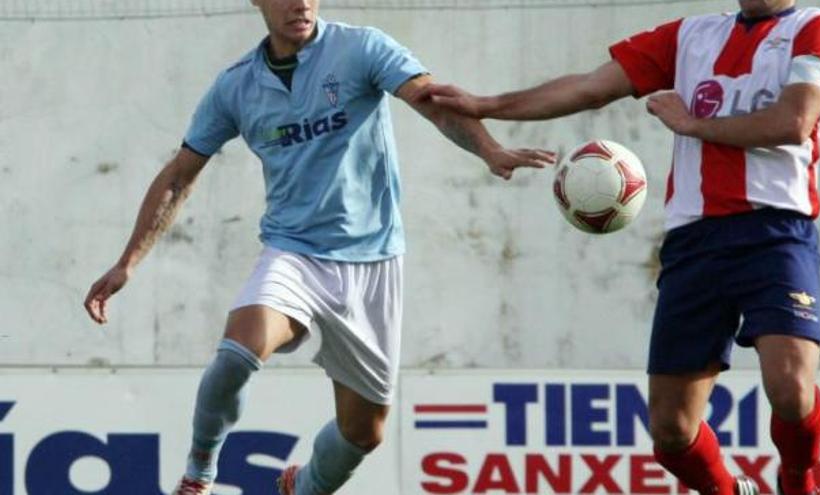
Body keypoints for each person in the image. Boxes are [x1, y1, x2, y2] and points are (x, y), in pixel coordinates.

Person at [82, 0, 555, 494]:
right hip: (294, 254)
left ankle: (301, 487)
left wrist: (490, 150)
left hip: (374, 264)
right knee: (235, 353)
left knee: (362, 434)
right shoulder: (236, 86)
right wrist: (127, 263)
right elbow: (180, 174)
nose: (301, 2)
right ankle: (198, 476)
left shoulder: (362, 48)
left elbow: (431, 102)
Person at [424, 1, 820, 494]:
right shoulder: (690, 37)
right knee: (671, 432)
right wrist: (486, 105)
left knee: (792, 388)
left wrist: (695, 126)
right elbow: (590, 86)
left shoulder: (815, 28)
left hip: (775, 232)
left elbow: (794, 122)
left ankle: (800, 484)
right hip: (696, 241)